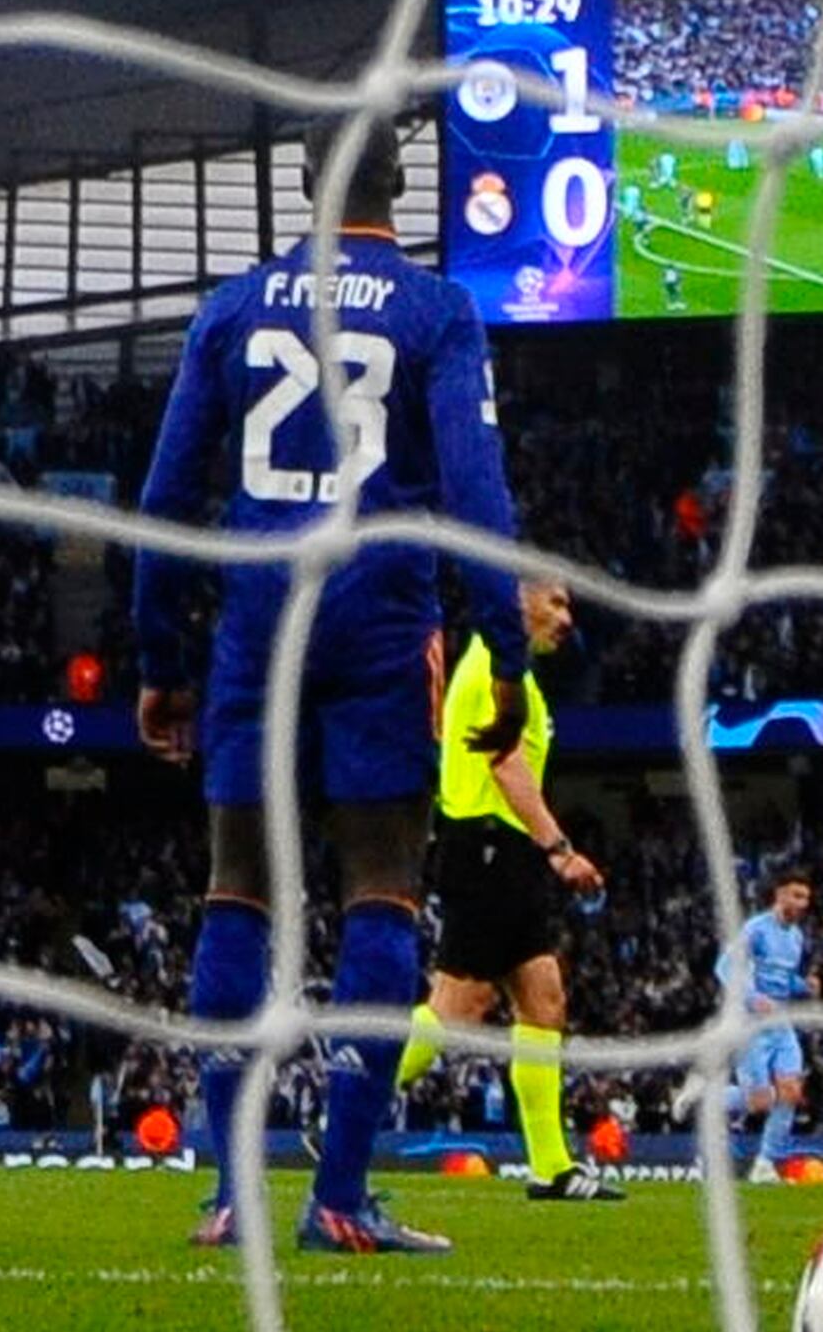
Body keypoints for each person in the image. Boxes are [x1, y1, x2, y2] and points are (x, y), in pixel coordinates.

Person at [137, 183, 529, 1258]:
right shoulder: (435, 308)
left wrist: (159, 651)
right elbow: (476, 487)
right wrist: (503, 641)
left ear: (312, 186)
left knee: (236, 887)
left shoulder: (231, 306)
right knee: (381, 890)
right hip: (378, 615)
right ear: (394, 191)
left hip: (258, 618)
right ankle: (343, 1195)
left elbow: (166, 495)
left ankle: (231, 1190)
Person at [391, 578, 621, 1201]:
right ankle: (345, 1108)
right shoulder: (494, 664)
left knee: (544, 1000)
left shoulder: (506, 667)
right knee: (455, 1010)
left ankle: (552, 1168)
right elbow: (505, 762)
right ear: (519, 598)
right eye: (557, 602)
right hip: (487, 846)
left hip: (505, 852)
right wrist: (560, 850)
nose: (567, 617)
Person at [730, 868, 818, 1179]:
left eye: (806, 897)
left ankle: (765, 1163)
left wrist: (803, 985)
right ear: (779, 895)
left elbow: (782, 979)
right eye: (797, 895)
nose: (804, 903)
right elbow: (726, 968)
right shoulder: (755, 929)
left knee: (791, 1091)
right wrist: (753, 998)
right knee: (759, 1102)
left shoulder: (796, 937)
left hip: (781, 1023)